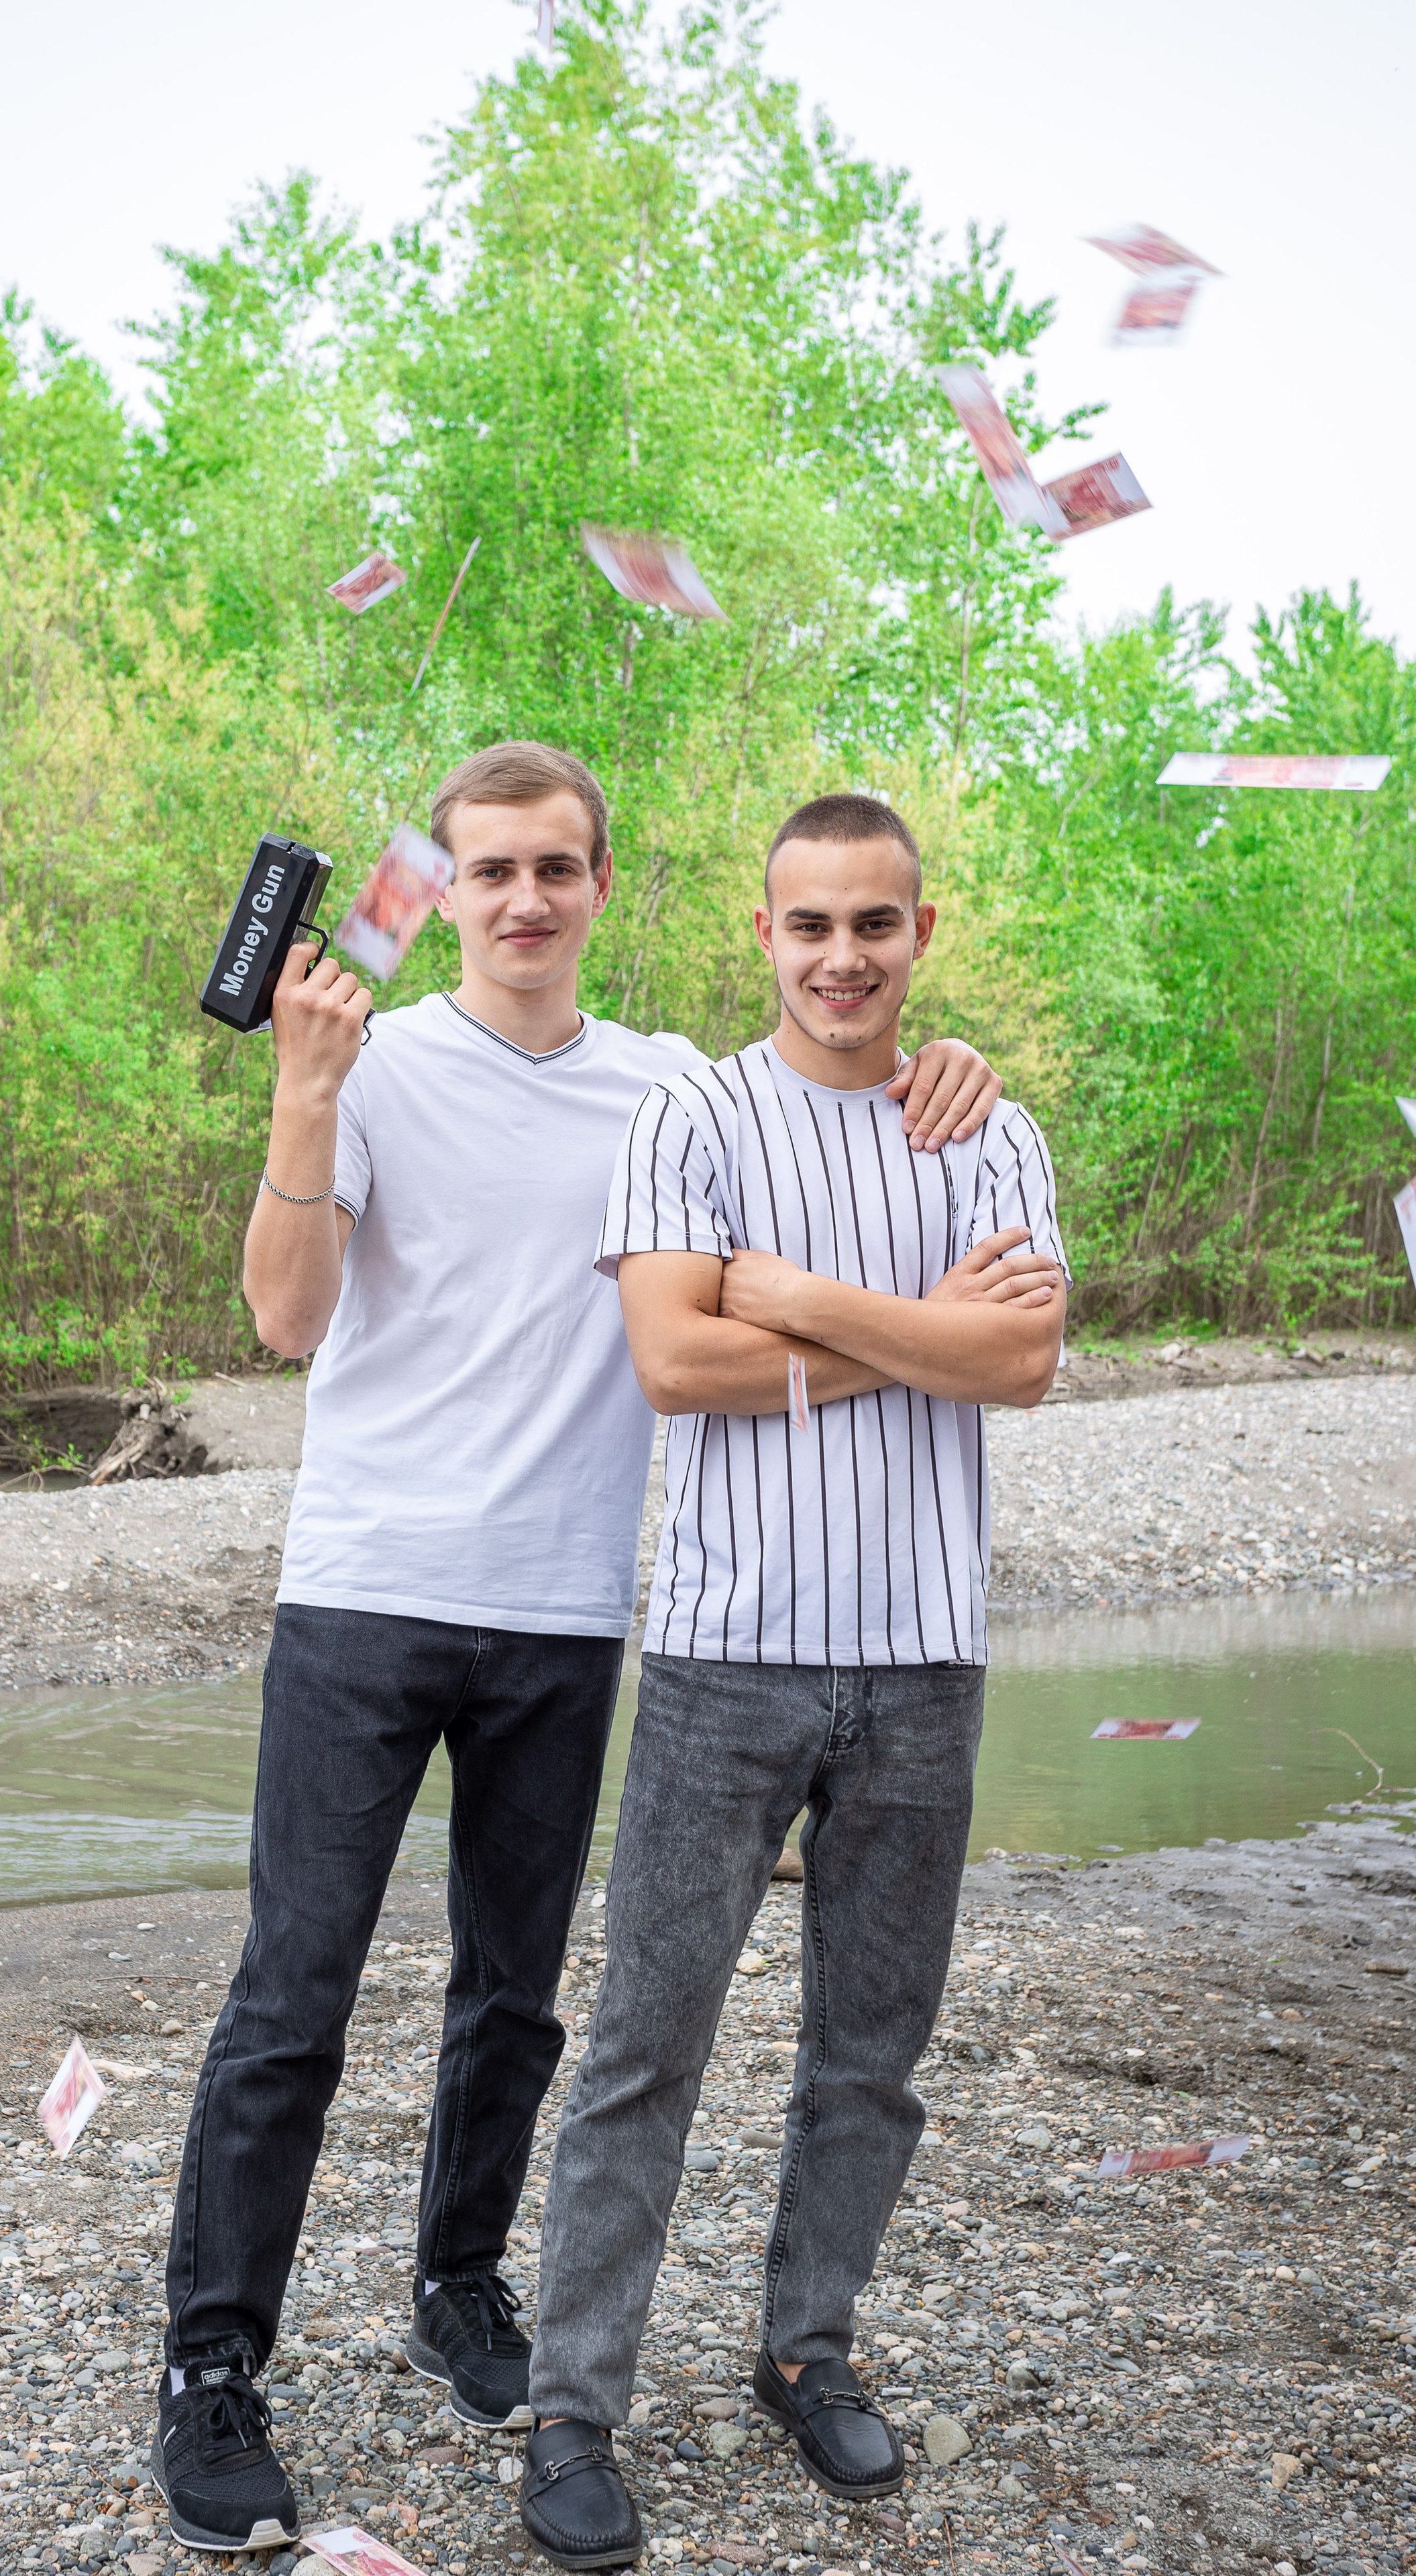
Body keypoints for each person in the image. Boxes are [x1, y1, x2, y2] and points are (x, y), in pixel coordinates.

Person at [149, 745, 1005, 2555]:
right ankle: (214, 2361)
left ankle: (461, 2284)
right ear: (445, 890)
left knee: (514, 1994)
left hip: (567, 1606)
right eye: (491, 872)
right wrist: (301, 1093)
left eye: (557, 869)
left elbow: (826, 1079)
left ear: (604, 884)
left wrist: (950, 1063)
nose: (525, 900)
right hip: (369, 1590)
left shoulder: (669, 1089)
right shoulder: (371, 1061)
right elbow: (287, 1320)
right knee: (293, 1992)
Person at [519, 790, 1068, 2571]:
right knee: (645, 2045)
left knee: (871, 2056)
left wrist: (804, 1298)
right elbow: (676, 1362)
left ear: (922, 932)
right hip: (726, 1656)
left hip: (923, 1657)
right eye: (810, 924)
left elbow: (1025, 1360)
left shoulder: (988, 1132)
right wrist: (924, 1330)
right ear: (764, 932)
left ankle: (804, 2349)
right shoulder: (696, 1113)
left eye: (874, 924)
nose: (843, 957)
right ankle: (573, 2408)